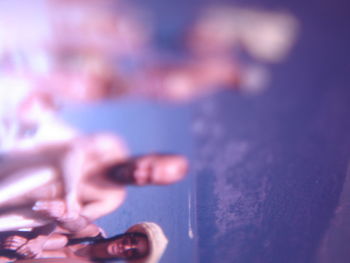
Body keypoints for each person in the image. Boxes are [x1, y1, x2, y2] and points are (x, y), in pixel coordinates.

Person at [1, 222, 168, 263]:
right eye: (131, 240)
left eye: (133, 252)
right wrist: (40, 240)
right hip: (9, 234)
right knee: (59, 239)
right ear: (128, 234)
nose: (126, 246)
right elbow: (53, 218)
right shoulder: (90, 233)